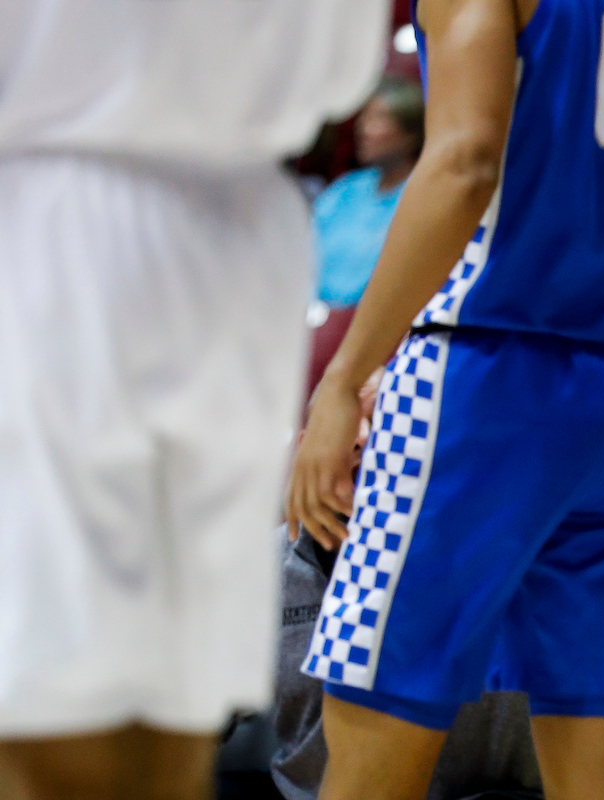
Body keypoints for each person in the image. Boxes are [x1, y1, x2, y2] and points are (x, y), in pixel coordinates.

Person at [286, 0, 604, 797]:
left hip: (478, 375)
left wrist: (344, 380)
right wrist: (599, 391)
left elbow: (464, 163)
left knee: (370, 748)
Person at [0, 1, 388, 798]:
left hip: (66, 209)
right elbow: (341, 69)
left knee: (55, 680)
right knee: (176, 689)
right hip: (242, 231)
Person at [314, 78, 425, 309]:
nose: (363, 129)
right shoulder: (347, 188)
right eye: (364, 116)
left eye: (379, 119)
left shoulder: (422, 197)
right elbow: (303, 250)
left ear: (411, 134)